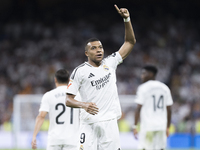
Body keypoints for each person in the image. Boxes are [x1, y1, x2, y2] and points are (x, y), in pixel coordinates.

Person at [65, 4, 136, 150]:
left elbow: (130, 42)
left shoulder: (110, 63)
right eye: (94, 48)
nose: (99, 50)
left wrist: (127, 19)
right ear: (86, 53)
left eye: (100, 47)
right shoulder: (80, 71)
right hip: (89, 123)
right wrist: (83, 105)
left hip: (110, 122)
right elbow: (68, 100)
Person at [31, 69, 96, 150]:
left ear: (55, 79)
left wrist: (34, 136)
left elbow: (41, 116)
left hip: (54, 139)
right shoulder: (77, 95)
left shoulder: (48, 95)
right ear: (69, 80)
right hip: (72, 139)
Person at [133, 65, 173, 150]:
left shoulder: (143, 88)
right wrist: (168, 127)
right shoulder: (165, 88)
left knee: (144, 147)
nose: (142, 76)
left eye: (144, 73)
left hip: (148, 125)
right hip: (161, 125)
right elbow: (169, 110)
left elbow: (138, 108)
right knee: (161, 148)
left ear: (151, 74)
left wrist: (135, 126)